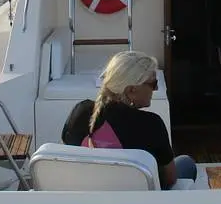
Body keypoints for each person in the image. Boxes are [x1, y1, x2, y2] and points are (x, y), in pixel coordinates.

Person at [61, 50, 197, 189]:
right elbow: (170, 179)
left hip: (91, 194)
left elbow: (71, 157)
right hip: (142, 202)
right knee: (186, 163)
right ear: (131, 90)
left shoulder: (81, 112)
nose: (156, 88)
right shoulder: (152, 124)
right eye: (153, 83)